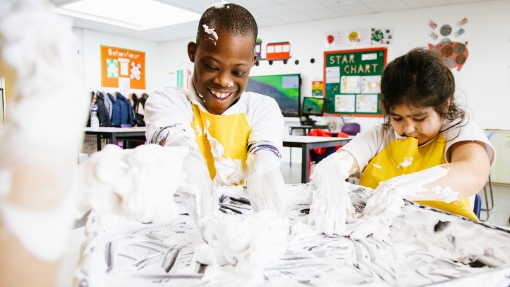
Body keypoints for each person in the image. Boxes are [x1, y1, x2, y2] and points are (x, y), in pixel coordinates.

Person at [316, 48, 494, 220]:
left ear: (445, 105)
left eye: (419, 118)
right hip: (381, 232)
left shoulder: (458, 130)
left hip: (444, 236)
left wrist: (398, 189)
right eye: (397, 118)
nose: (408, 129)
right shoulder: (380, 135)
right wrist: (329, 175)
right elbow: (336, 164)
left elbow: (474, 172)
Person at [144, 3, 286, 219]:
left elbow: (264, 167)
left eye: (238, 72)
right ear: (193, 52)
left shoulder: (262, 108)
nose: (223, 81)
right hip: (181, 219)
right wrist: (208, 225)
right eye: (211, 66)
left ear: (252, 62)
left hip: (242, 219)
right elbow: (183, 155)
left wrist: (270, 223)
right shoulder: (167, 101)